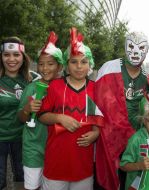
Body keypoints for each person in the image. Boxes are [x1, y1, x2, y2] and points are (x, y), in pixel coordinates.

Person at [38, 27, 103, 190]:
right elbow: (42, 115)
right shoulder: (54, 86)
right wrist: (59, 118)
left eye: (84, 62)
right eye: (74, 61)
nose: (79, 66)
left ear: (90, 64)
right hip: (55, 164)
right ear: (66, 64)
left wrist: (96, 133)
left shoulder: (96, 89)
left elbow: (99, 119)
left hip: (83, 167)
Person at [94, 31, 149, 190]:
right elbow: (97, 101)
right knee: (105, 177)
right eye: (131, 46)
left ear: (146, 50)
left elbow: (147, 109)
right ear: (125, 46)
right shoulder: (109, 67)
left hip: (133, 138)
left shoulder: (147, 78)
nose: (135, 52)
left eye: (141, 48)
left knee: (129, 179)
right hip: (109, 136)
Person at [18, 32, 63, 190]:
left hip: (56, 149)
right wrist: (26, 109)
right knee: (32, 187)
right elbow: (21, 118)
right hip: (33, 149)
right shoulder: (31, 88)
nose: (45, 68)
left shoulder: (64, 89)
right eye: (41, 64)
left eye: (50, 64)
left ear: (59, 66)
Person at [0, 36, 32, 190]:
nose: (11, 59)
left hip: (22, 138)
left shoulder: (31, 80)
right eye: (6, 54)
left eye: (16, 54)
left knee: (22, 177)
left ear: (23, 57)